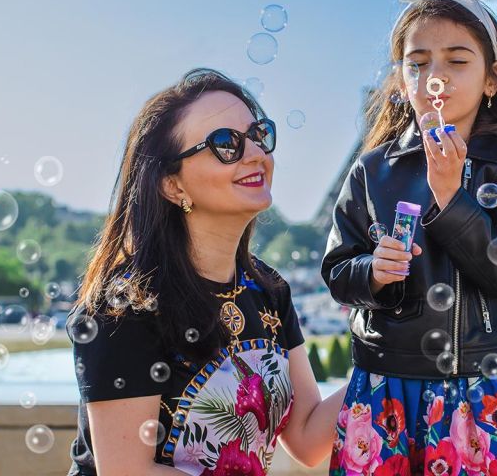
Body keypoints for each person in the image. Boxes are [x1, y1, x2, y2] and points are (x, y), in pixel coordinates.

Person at [321, 0, 497, 475]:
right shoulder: (371, 171)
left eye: (456, 60)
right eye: (418, 62)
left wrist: (450, 196)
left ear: (493, 80)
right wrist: (373, 272)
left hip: (483, 390)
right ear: (402, 80)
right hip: (388, 386)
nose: (435, 76)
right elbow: (340, 270)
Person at [67, 68, 345, 475]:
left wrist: (389, 346)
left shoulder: (268, 289)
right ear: (172, 185)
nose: (256, 154)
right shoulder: (124, 306)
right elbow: (127, 471)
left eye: (258, 135)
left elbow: (305, 438)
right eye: (225, 144)